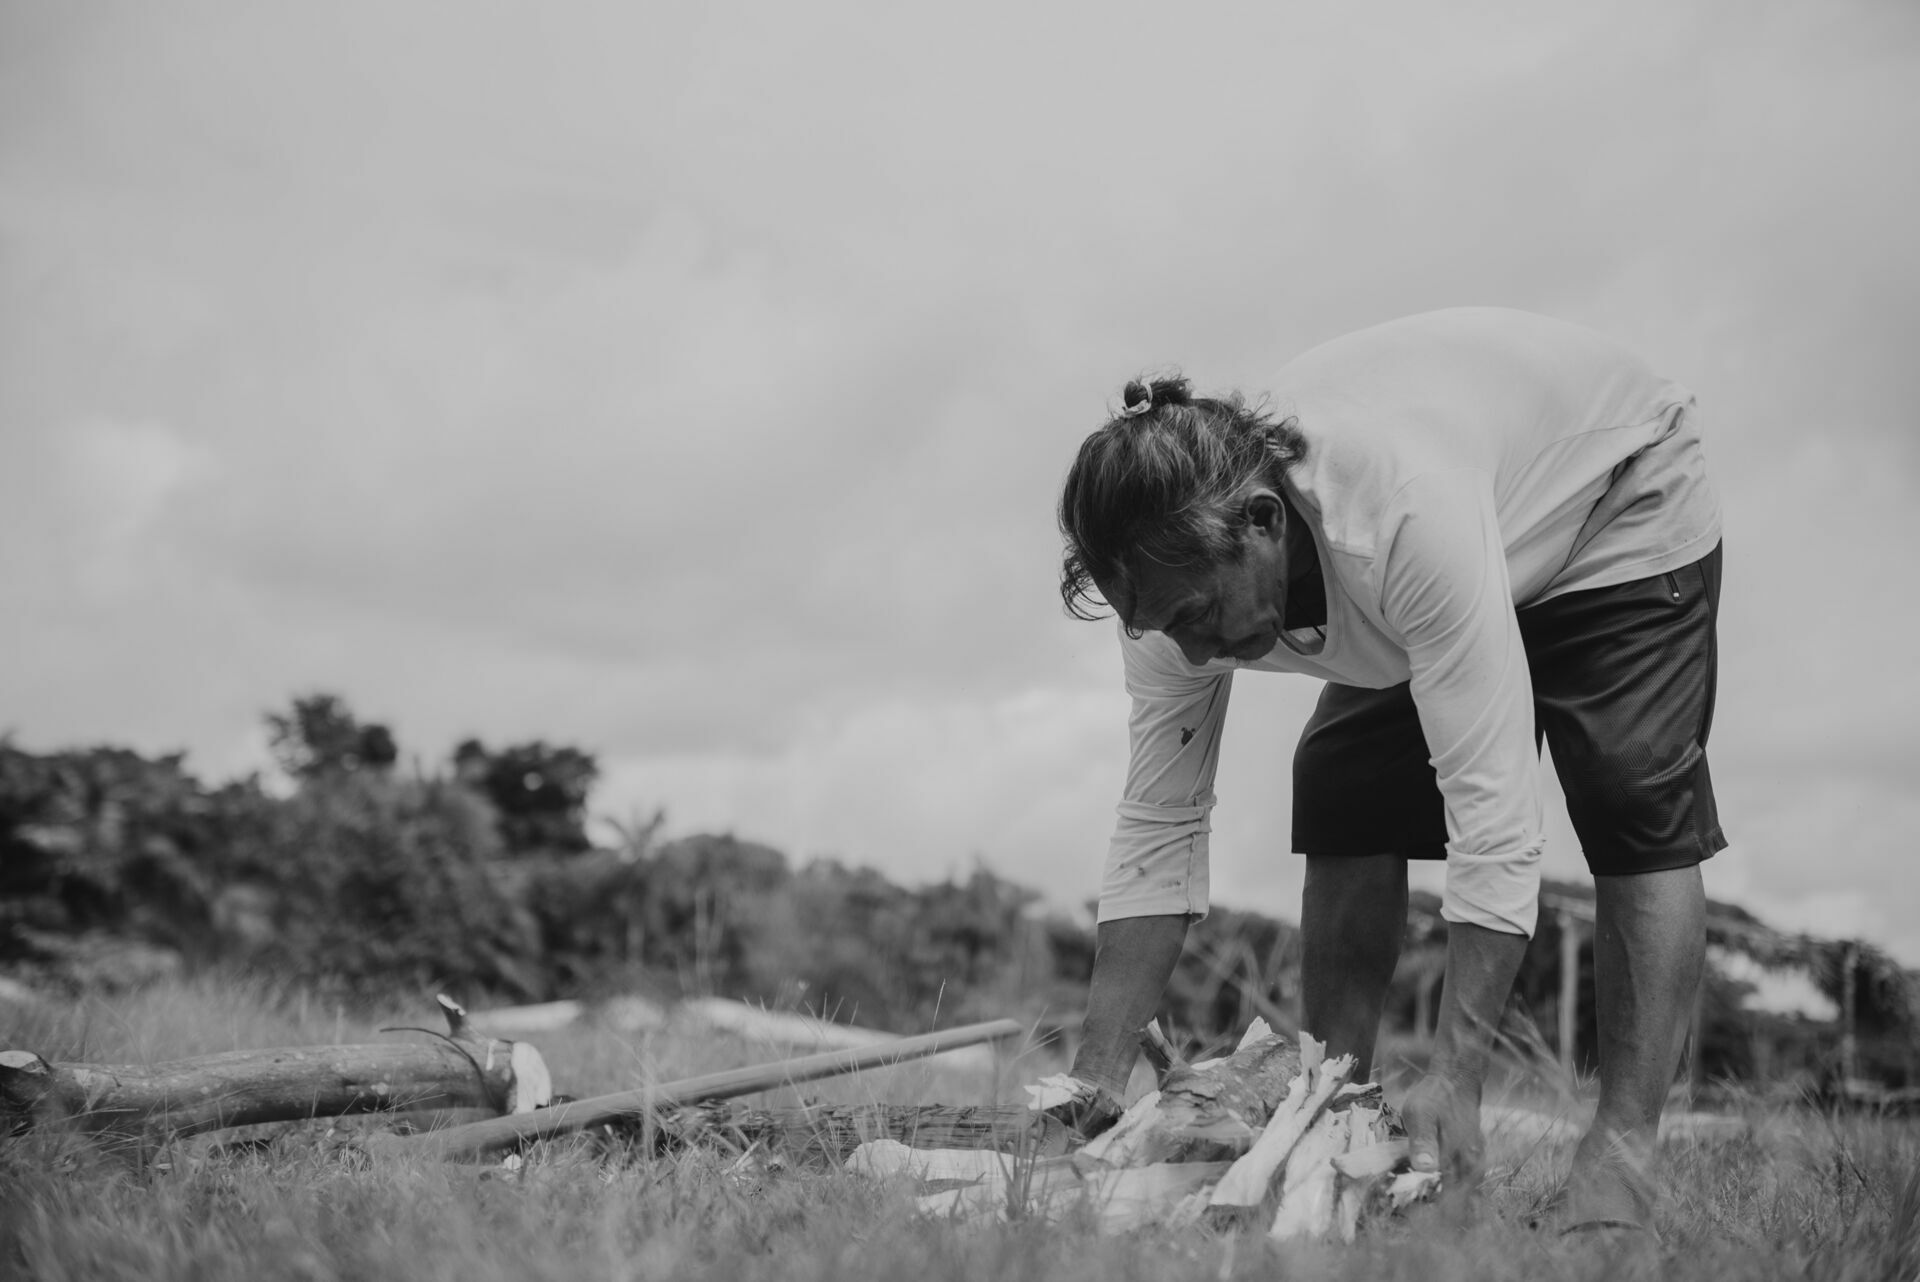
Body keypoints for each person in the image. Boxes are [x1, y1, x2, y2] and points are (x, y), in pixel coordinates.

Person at [1053, 306, 1724, 1235]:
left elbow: (1491, 814)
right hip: (1460, 533)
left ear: (1259, 523)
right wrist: (1093, 1075)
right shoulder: (1166, 596)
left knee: (1625, 795)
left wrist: (1459, 1074)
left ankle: (1621, 1153)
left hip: (1612, 498)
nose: (1194, 650)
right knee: (1347, 788)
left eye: (1199, 613)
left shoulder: (1396, 519)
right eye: (1164, 625)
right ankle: (1340, 1113)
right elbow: (1160, 822)